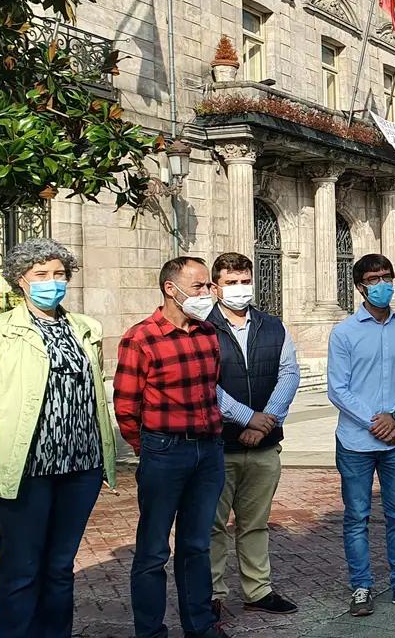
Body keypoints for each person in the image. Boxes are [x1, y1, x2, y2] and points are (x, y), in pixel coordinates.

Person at [0, 238, 114, 637]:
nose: (52, 282)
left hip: (81, 467)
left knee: (59, 568)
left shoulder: (86, 329)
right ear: (20, 280)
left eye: (59, 274)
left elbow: (91, 391)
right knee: (21, 569)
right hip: (22, 470)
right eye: (41, 274)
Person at [114, 256, 229, 638]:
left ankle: (200, 626)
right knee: (153, 551)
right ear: (171, 289)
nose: (207, 293)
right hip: (164, 451)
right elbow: (126, 407)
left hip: (209, 451)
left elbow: (211, 390)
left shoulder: (208, 333)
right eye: (198, 287)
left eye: (208, 286)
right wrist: (148, 447)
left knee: (196, 546)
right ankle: (150, 631)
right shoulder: (141, 337)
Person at [327, 254, 395, 616]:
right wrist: (376, 421)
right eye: (374, 278)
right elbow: (338, 389)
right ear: (360, 286)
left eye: (387, 276)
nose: (383, 283)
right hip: (357, 442)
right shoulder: (344, 333)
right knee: (357, 516)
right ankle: (361, 586)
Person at [206, 252, 301, 619]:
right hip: (219, 445)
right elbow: (206, 384)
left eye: (244, 280)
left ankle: (257, 590)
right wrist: (248, 418)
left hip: (263, 447)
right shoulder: (203, 327)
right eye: (231, 282)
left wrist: (268, 420)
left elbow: (289, 373)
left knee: (255, 523)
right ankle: (212, 593)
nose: (239, 288)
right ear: (216, 287)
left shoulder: (272, 325)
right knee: (212, 527)